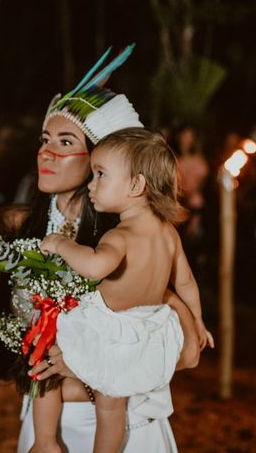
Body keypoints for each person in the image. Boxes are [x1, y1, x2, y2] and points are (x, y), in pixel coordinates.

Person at [0, 46, 202, 452]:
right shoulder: (19, 223)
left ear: (102, 155)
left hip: (124, 425)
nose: (47, 151)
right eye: (45, 140)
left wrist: (86, 362)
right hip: (45, 423)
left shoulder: (131, 241)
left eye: (65, 142)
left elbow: (186, 356)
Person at [36, 128, 214, 453]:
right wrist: (199, 322)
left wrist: (61, 244)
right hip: (151, 327)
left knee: (105, 404)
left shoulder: (120, 235)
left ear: (136, 185)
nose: (91, 184)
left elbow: (93, 267)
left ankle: (47, 440)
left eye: (100, 175)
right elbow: (185, 282)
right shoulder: (168, 233)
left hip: (113, 331)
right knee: (114, 405)